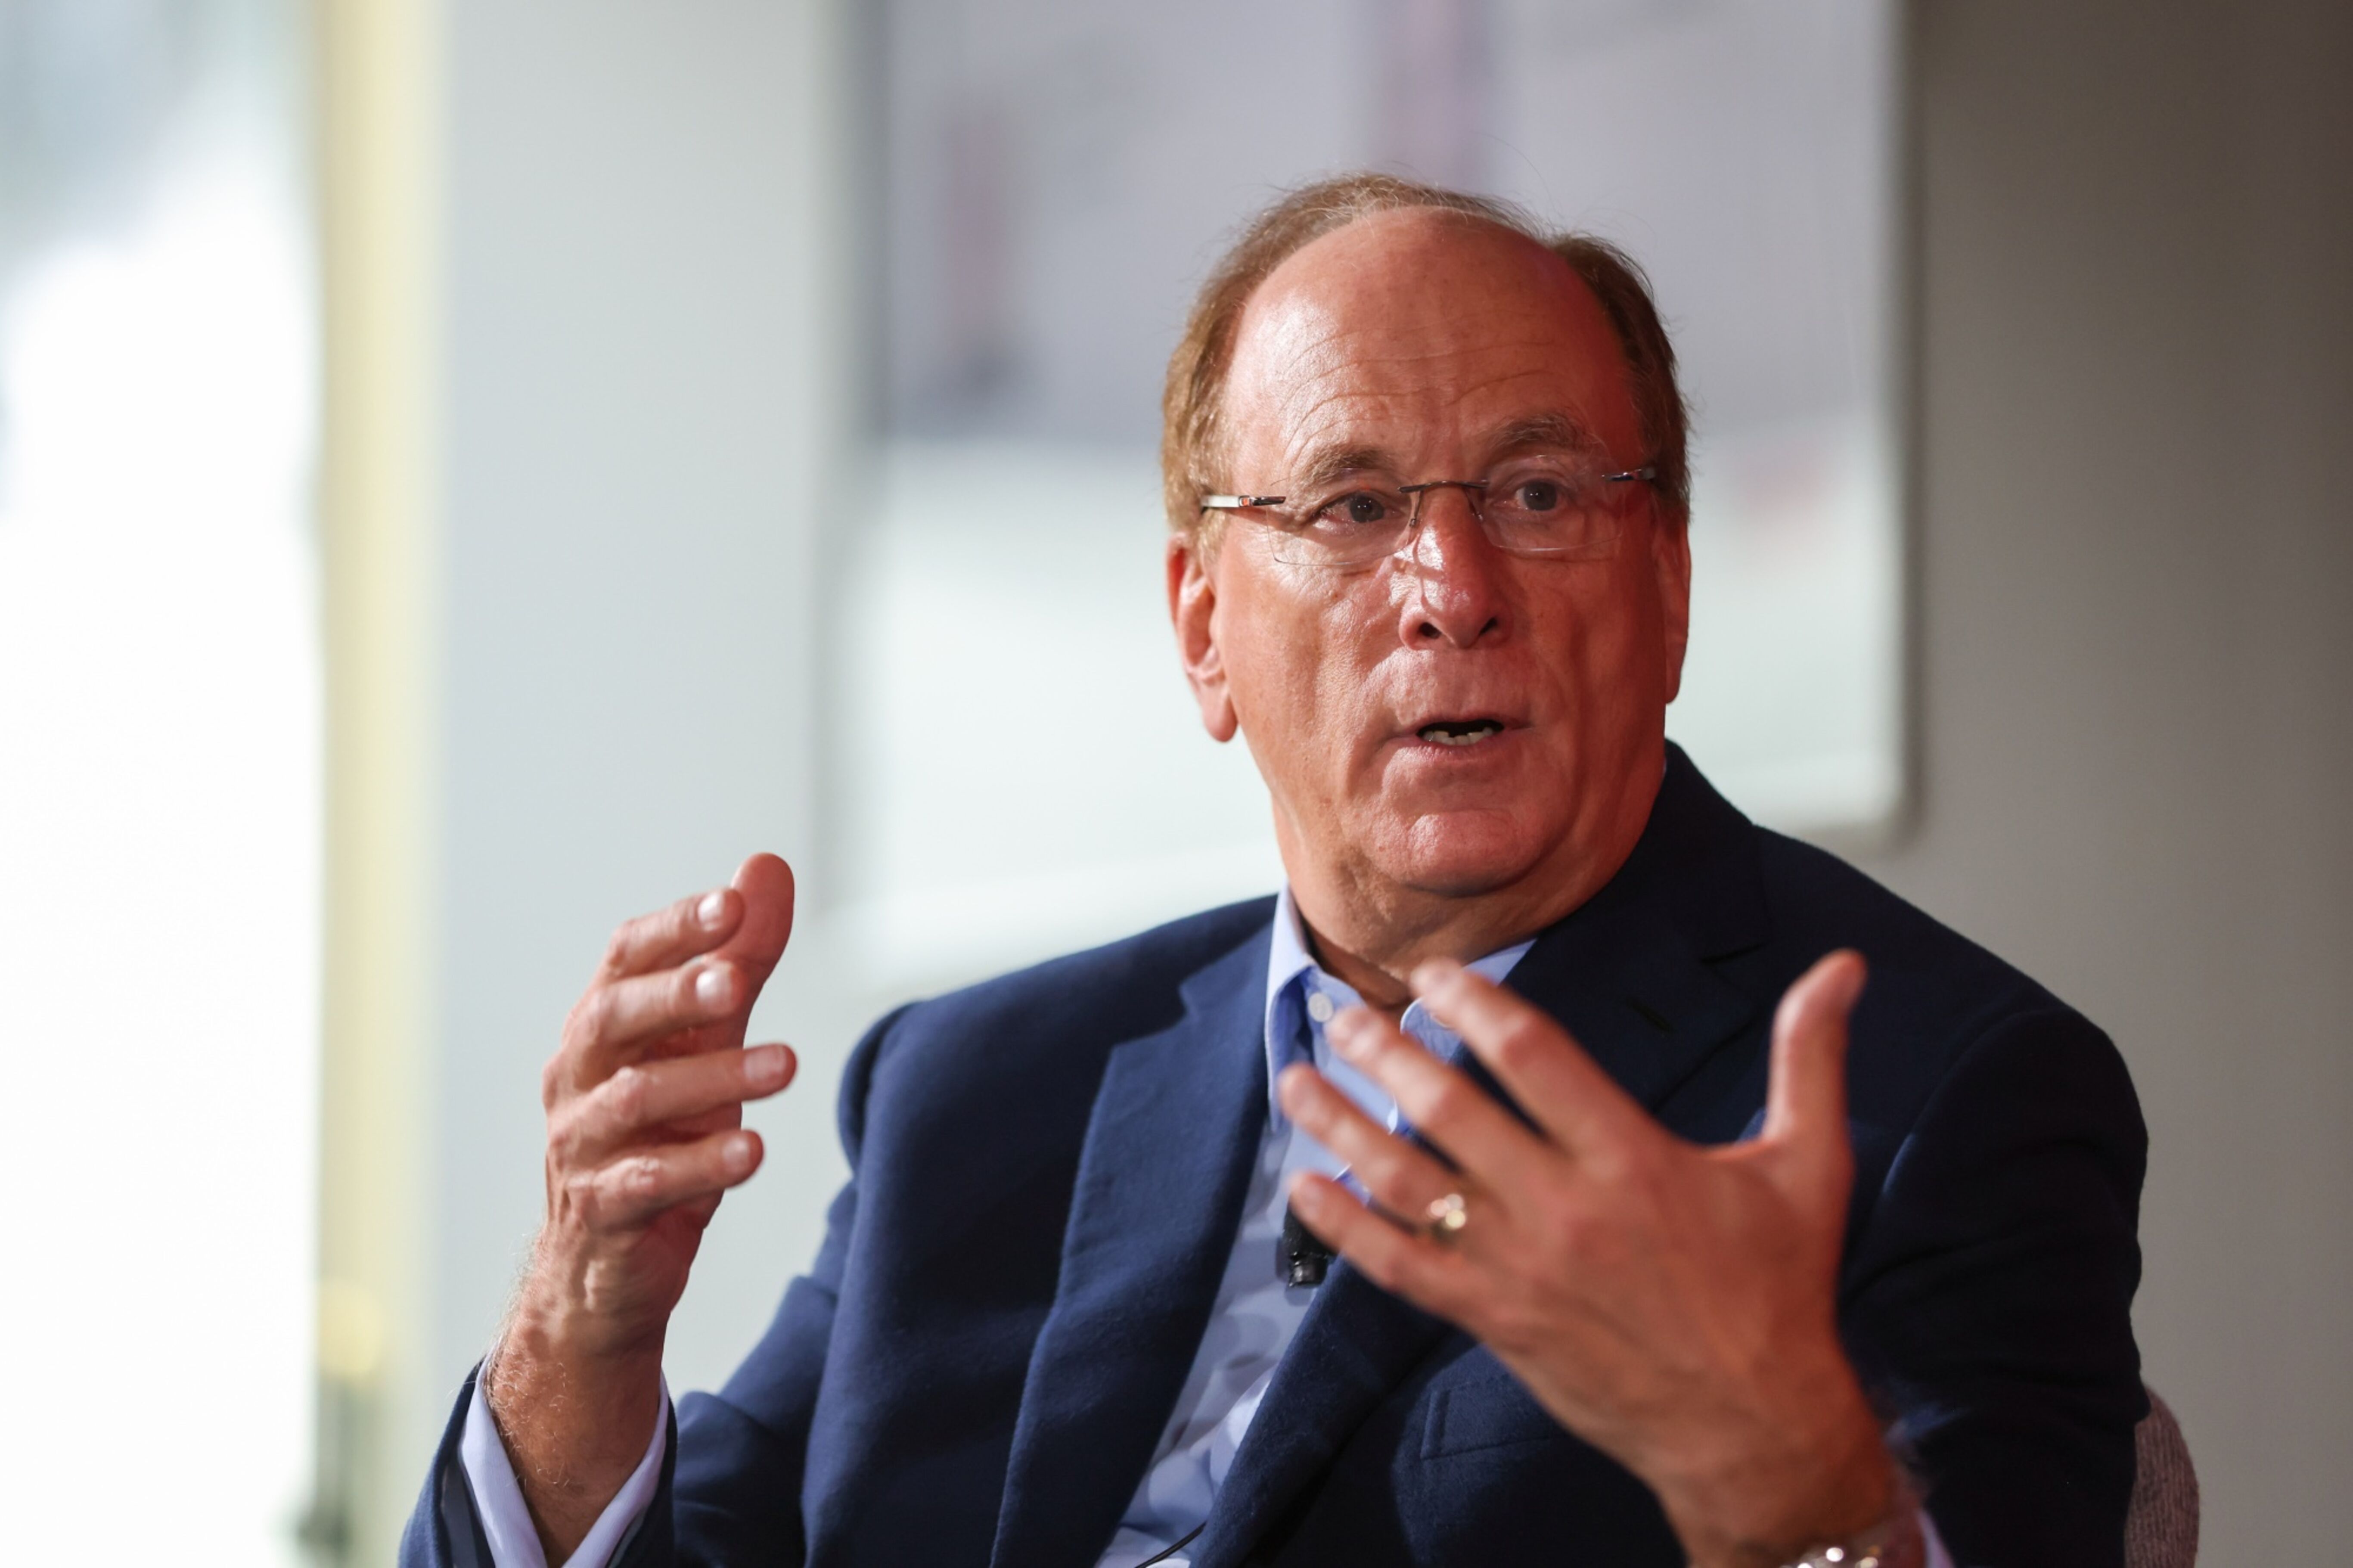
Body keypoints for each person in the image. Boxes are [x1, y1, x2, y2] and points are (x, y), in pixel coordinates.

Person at [403, 175, 2146, 1568]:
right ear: (1202, 630)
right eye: (1351, 506)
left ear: (1670, 583)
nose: (1453, 588)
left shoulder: (1939, 1098)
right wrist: (581, 1329)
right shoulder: (970, 1094)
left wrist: (1784, 1486)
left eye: (1540, 493)